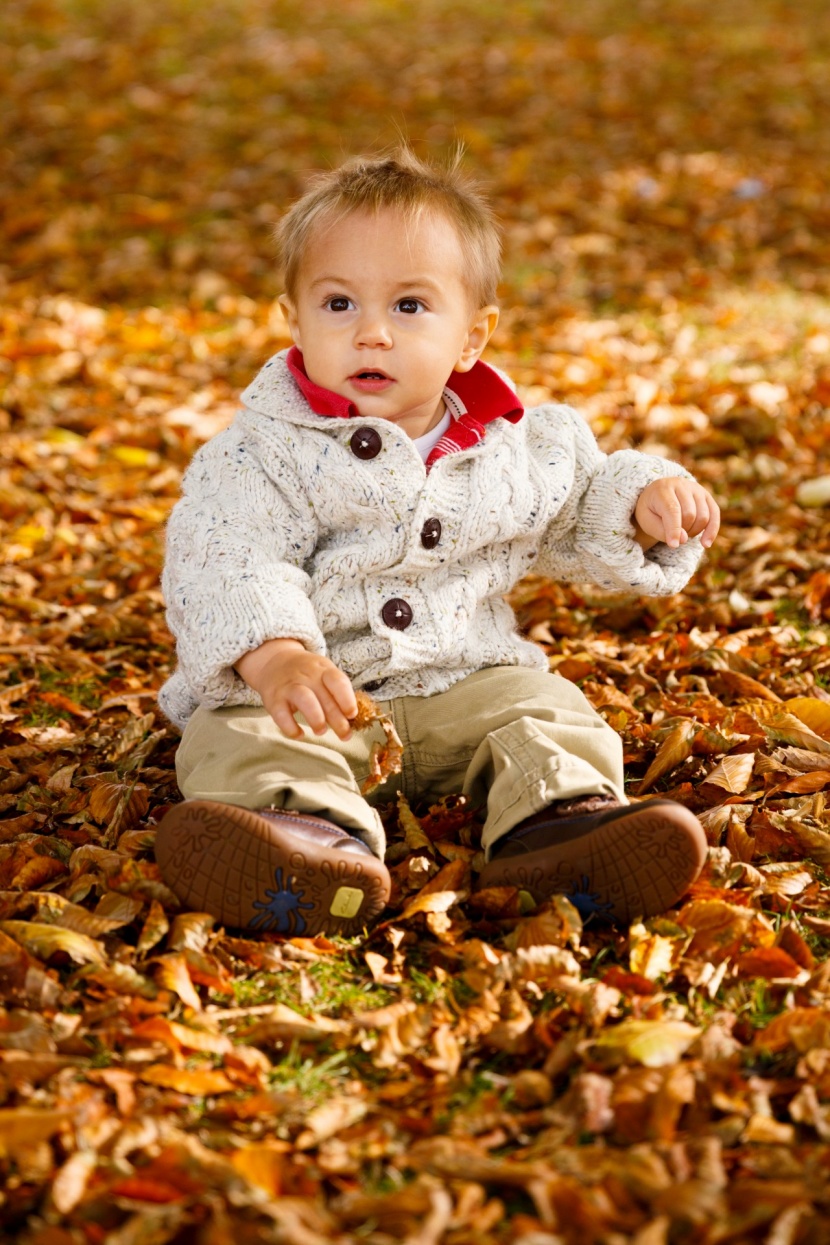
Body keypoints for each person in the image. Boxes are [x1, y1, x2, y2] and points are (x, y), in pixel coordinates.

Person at [154, 148, 720, 938]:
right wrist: (276, 655)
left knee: (547, 710)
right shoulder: (260, 454)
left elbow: (581, 499)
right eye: (340, 304)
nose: (373, 334)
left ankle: (557, 827)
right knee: (240, 736)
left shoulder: (519, 443)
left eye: (411, 307)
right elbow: (226, 555)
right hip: (314, 698)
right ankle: (305, 839)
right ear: (295, 319)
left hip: (465, 683)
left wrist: (643, 502)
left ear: (471, 336)